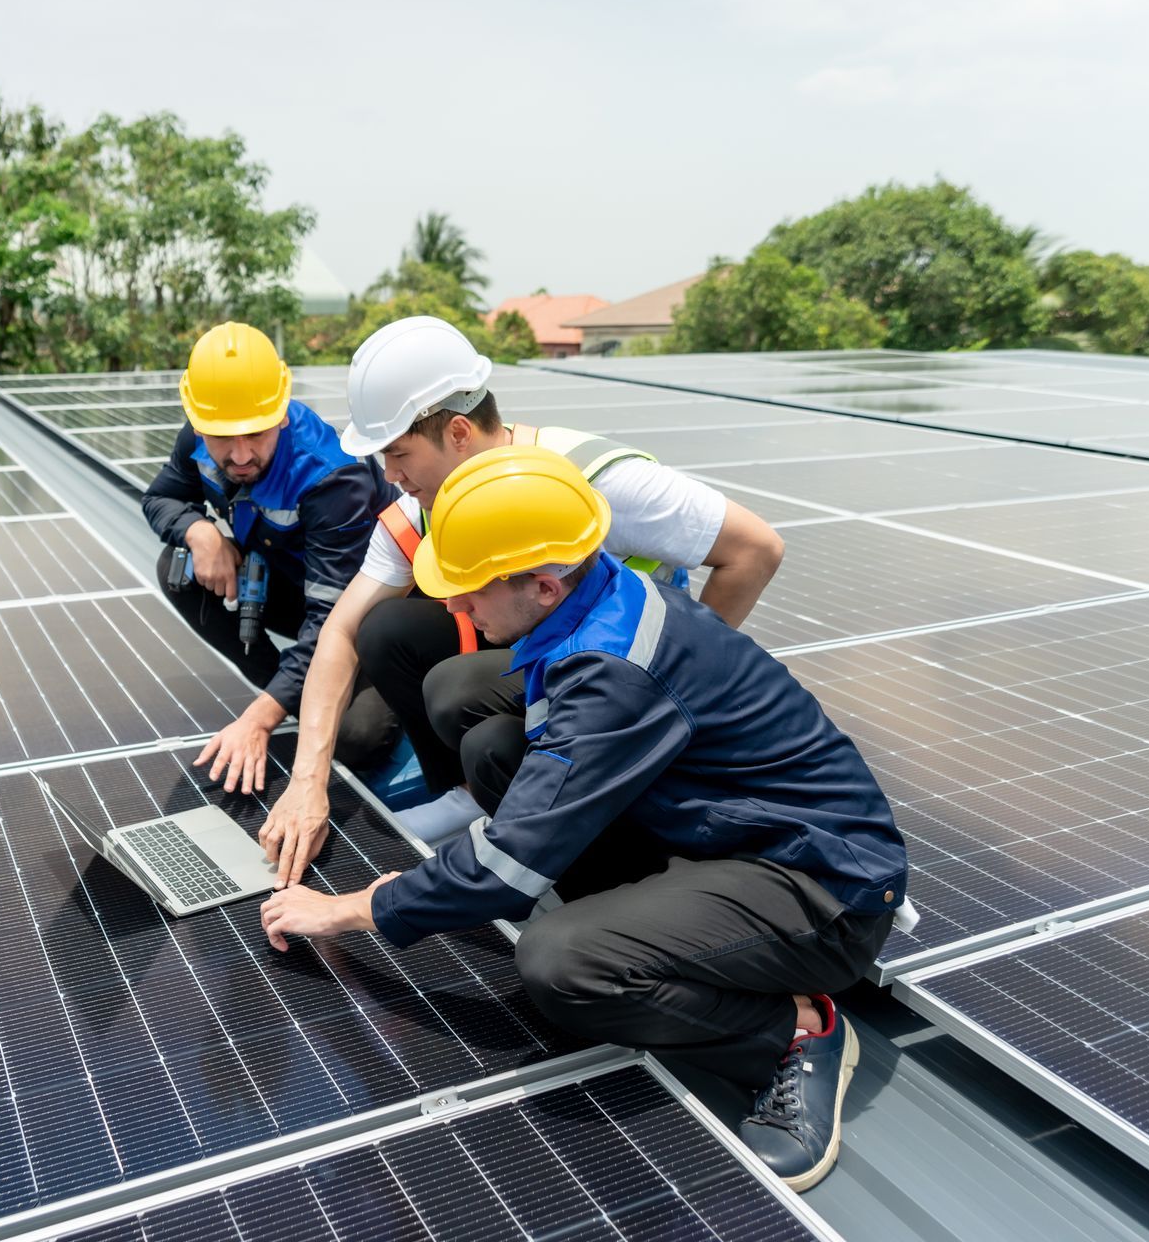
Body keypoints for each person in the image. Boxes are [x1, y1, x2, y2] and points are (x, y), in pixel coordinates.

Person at [259, 445, 908, 1192]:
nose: (452, 608)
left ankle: (793, 1035)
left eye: (468, 590)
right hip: (725, 832)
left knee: (561, 963)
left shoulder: (610, 670)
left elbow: (506, 868)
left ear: (540, 583)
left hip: (822, 891)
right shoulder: (594, 595)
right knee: (499, 744)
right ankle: (653, 931)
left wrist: (350, 909)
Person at [260, 315, 785, 883]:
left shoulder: (592, 480)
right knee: (387, 630)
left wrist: (675, 694)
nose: (390, 476)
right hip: (542, 658)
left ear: (459, 433)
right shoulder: (423, 505)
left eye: (400, 454)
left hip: (620, 671)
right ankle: (466, 794)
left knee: (478, 723)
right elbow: (341, 630)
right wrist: (306, 783)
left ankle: (584, 851)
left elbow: (756, 550)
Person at [142, 321, 399, 791]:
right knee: (178, 569)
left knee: (357, 738)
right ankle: (281, 690)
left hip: (366, 615)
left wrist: (260, 720)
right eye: (222, 437)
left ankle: (289, 701)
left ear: (281, 415)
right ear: (199, 423)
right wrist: (199, 531)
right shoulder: (199, 435)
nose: (239, 454)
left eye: (256, 434)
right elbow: (159, 499)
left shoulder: (331, 477)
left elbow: (331, 619)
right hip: (293, 587)